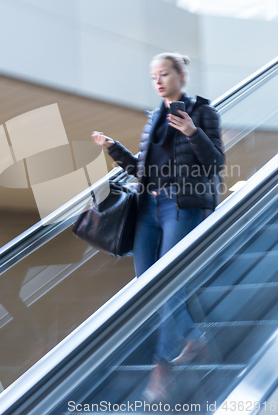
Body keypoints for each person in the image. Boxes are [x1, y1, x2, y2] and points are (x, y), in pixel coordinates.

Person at [91, 52, 225, 402]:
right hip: (148, 204)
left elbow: (215, 163)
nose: (159, 81)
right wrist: (114, 149)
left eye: (165, 74)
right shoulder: (153, 118)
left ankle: (161, 367)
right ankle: (193, 337)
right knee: (146, 284)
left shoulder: (203, 112)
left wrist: (194, 132)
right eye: (154, 77)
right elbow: (142, 169)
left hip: (182, 204)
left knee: (166, 282)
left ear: (181, 75)